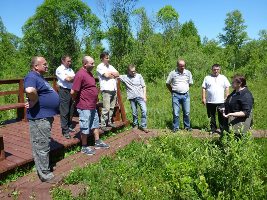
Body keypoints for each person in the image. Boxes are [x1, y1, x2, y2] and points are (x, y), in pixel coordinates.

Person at [24, 56, 59, 182]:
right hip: (39, 118)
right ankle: (45, 174)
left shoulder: (40, 77)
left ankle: (42, 169)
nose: (47, 66)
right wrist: (34, 99)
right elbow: (29, 89)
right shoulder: (31, 76)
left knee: (43, 143)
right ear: (36, 66)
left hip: (44, 117)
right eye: (44, 64)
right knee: (41, 145)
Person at [71, 56, 110, 155]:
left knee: (95, 124)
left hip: (92, 105)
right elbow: (73, 91)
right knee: (85, 125)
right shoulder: (80, 74)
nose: (94, 65)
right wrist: (77, 100)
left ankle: (97, 142)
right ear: (85, 64)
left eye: (93, 63)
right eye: (91, 63)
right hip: (84, 106)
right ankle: (84, 146)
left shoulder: (89, 74)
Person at [119, 64, 149, 133]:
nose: (134, 72)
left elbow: (144, 86)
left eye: (134, 71)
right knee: (134, 112)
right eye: (132, 71)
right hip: (132, 97)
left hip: (140, 97)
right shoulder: (125, 77)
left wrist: (144, 96)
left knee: (144, 110)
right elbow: (116, 75)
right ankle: (135, 125)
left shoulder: (139, 76)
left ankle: (143, 126)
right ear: (128, 71)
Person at [202, 64, 230, 134]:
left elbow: (227, 87)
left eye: (217, 69)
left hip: (221, 101)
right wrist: (203, 98)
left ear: (220, 70)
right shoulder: (207, 78)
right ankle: (213, 129)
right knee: (211, 116)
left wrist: (227, 96)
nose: (216, 71)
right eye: (214, 69)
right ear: (212, 70)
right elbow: (203, 88)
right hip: (210, 101)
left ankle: (222, 129)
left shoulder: (223, 77)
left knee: (221, 116)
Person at [166, 59, 193, 132]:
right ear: (177, 66)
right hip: (176, 95)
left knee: (187, 112)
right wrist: (172, 91)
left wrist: (185, 88)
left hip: (185, 95)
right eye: (181, 66)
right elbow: (167, 83)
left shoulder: (188, 73)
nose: (183, 67)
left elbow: (190, 83)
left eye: (184, 66)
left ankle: (187, 127)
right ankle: (175, 127)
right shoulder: (173, 73)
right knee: (176, 112)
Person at [96, 52, 119, 131]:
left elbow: (118, 74)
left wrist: (111, 73)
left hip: (113, 89)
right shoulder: (100, 66)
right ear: (102, 58)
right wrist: (112, 74)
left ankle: (109, 122)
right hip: (106, 89)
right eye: (106, 58)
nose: (108, 59)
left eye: (108, 58)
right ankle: (103, 124)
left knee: (112, 107)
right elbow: (106, 75)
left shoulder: (111, 66)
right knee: (106, 108)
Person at [55, 55, 75, 139]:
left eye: (70, 61)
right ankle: (65, 130)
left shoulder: (70, 69)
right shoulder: (59, 69)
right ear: (63, 61)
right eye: (68, 61)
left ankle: (69, 126)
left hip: (71, 90)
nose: (70, 63)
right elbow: (67, 79)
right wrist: (72, 78)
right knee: (64, 110)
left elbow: (75, 78)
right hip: (64, 91)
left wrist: (72, 78)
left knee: (71, 109)